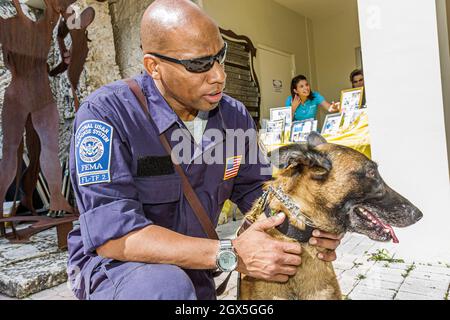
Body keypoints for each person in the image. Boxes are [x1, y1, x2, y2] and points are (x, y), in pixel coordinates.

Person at [67, 0, 343, 300]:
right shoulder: (107, 115)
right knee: (164, 287)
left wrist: (309, 230)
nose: (218, 75)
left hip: (198, 265)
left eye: (219, 56)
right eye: (198, 64)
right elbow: (114, 237)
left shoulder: (233, 116)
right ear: (153, 66)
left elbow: (260, 192)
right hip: (120, 270)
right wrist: (231, 253)